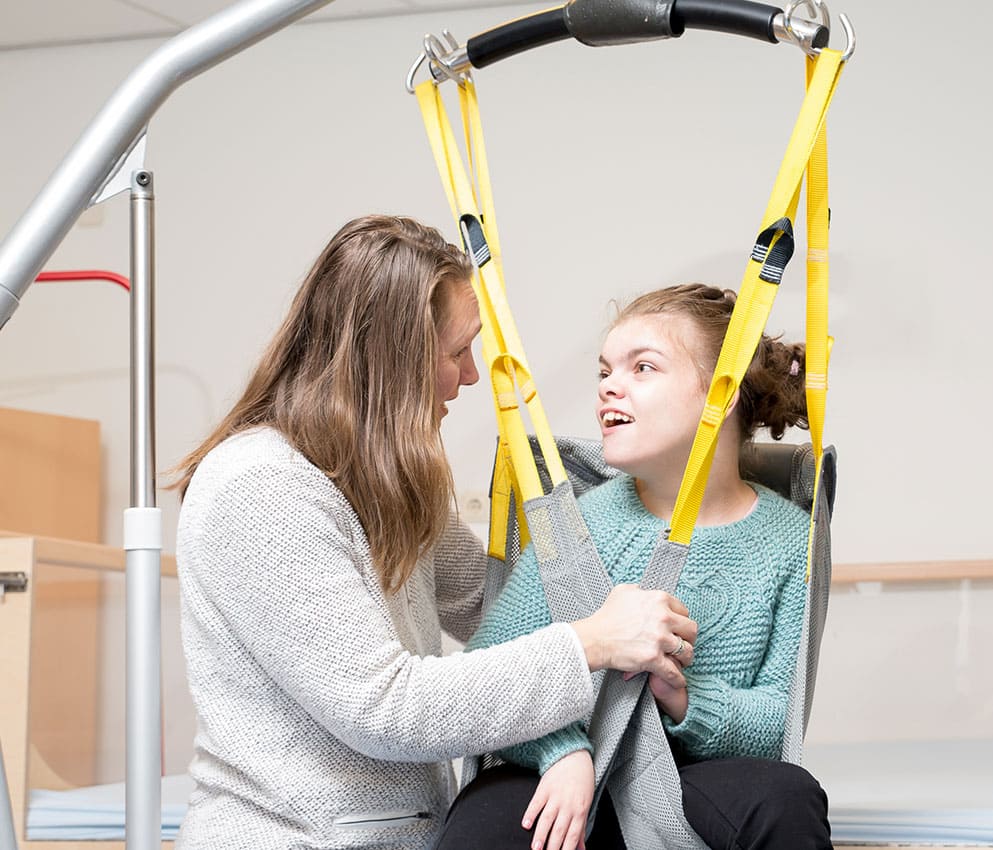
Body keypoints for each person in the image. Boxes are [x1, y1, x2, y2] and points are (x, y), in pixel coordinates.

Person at [170, 215, 698, 850]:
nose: (471, 375)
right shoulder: (261, 490)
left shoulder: (390, 481)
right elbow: (383, 707)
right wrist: (592, 642)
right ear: (391, 361)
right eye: (456, 352)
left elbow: (499, 607)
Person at [439, 284, 832, 850]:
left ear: (723, 392)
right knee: (486, 821)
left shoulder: (792, 542)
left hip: (693, 778)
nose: (608, 387)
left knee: (787, 795)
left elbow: (778, 716)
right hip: (570, 771)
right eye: (604, 372)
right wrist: (562, 749)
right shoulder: (574, 524)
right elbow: (490, 670)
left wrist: (685, 697)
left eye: (642, 367)